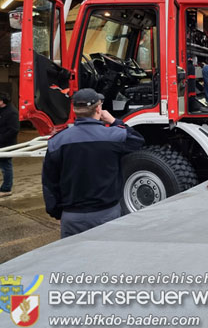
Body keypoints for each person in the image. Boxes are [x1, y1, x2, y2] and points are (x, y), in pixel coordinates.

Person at [42, 88, 145, 238]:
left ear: (74, 109)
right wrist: (114, 121)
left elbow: (49, 183)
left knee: (73, 259)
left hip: (72, 218)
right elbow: (137, 140)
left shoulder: (57, 141)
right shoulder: (113, 136)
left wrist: (58, 213)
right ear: (98, 109)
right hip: (107, 215)